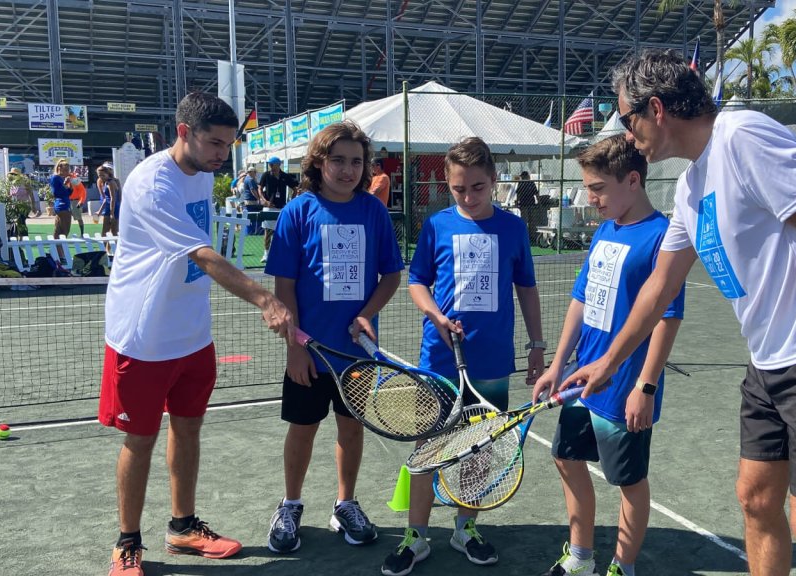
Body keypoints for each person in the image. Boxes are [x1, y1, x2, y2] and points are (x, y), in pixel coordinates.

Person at [565, 48, 796, 576]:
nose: (625, 134)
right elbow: (660, 286)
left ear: (657, 109)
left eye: (627, 118)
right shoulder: (689, 187)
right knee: (756, 501)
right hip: (766, 366)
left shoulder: (741, 136)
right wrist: (610, 363)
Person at [100, 91, 297, 576]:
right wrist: (266, 299)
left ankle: (183, 527)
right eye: (214, 143)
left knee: (188, 428)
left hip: (192, 335)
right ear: (182, 132)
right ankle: (127, 542)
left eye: (228, 145)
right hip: (142, 337)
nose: (221, 155)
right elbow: (201, 256)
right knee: (140, 439)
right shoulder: (152, 184)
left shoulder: (203, 174)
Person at [381, 137, 546, 576]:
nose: (469, 197)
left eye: (477, 187)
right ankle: (417, 536)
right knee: (427, 449)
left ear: (493, 180)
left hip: (492, 364)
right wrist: (434, 314)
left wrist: (537, 346)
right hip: (439, 361)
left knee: (478, 451)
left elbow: (526, 289)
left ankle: (464, 528)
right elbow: (416, 280)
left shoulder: (512, 228)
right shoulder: (436, 225)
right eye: (459, 189)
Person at [531, 135, 684, 576]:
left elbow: (666, 319)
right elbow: (581, 300)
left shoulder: (662, 239)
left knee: (629, 483)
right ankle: (580, 557)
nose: (589, 198)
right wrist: (558, 365)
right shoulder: (604, 229)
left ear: (633, 180)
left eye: (597, 188)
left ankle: (623, 567)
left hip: (623, 390)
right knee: (566, 458)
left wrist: (645, 387)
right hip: (583, 380)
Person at [263, 121, 404, 555]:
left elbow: (392, 275)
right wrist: (295, 347)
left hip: (356, 356)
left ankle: (345, 503)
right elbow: (283, 286)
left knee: (351, 429)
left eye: (356, 162)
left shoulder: (374, 211)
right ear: (319, 163)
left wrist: (365, 315)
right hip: (308, 353)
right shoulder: (298, 211)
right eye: (338, 160)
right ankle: (290, 505)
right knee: (302, 430)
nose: (347, 170)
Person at [49, 159, 73, 261]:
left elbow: (68, 192)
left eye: (68, 170)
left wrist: (68, 184)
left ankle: (57, 253)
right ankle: (60, 254)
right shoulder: (56, 178)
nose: (67, 172)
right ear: (59, 169)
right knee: (63, 231)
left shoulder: (60, 179)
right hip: (62, 207)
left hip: (64, 205)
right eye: (65, 170)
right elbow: (57, 193)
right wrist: (65, 184)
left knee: (59, 230)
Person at [514, 171, 540, 243]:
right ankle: (528, 236)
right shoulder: (524, 183)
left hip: (527, 204)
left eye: (523, 176)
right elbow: (518, 194)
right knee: (528, 221)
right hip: (526, 204)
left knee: (529, 221)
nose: (522, 178)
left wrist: (517, 202)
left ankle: (530, 236)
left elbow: (536, 193)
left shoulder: (528, 183)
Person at [69, 170, 88, 235]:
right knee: (65, 218)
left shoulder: (74, 179)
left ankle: (82, 234)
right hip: (66, 201)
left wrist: (81, 201)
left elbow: (83, 191)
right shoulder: (60, 178)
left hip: (75, 201)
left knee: (79, 218)